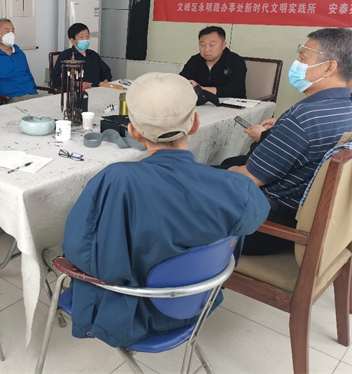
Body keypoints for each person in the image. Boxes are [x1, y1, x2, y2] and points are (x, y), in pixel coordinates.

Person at [61, 72, 269, 347]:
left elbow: (78, 251)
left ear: (133, 132)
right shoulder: (238, 187)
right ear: (195, 123)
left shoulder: (116, 181)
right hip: (198, 304)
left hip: (132, 315)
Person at [229, 28, 352, 255]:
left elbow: (247, 179)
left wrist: (223, 173)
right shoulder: (344, 109)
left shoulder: (304, 117)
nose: (297, 64)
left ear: (329, 67)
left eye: (303, 59)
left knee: (187, 184)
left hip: (265, 227)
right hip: (303, 216)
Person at [0, 18, 38, 100]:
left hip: (31, 95)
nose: (11, 34)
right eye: (7, 31)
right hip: (10, 98)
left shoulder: (19, 53)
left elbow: (29, 77)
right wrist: (0, 100)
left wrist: (34, 92)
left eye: (12, 30)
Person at [180, 26, 247, 98]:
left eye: (212, 45)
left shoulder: (235, 61)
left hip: (230, 103)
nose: (207, 49)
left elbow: (235, 90)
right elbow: (181, 82)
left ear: (223, 45)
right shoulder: (194, 61)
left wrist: (200, 89)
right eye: (202, 45)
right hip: (199, 102)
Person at [52, 22, 112, 91]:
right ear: (72, 40)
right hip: (76, 92)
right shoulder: (65, 56)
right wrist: (78, 84)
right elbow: (56, 80)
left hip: (96, 91)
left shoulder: (93, 55)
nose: (85, 39)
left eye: (87, 36)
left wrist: (105, 81)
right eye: (81, 37)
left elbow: (106, 72)